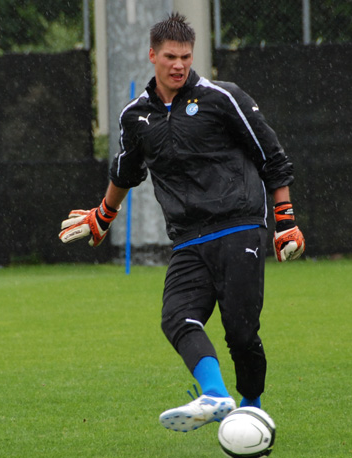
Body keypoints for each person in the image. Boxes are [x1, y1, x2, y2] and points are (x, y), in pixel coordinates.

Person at [59, 12, 304, 432]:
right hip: (188, 238)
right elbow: (126, 171)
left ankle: (252, 409)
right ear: (152, 55)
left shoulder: (222, 98)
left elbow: (272, 156)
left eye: (186, 57)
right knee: (177, 317)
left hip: (239, 225)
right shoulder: (135, 116)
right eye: (170, 57)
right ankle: (216, 395)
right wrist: (103, 215)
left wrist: (285, 219)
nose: (179, 65)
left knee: (241, 334)